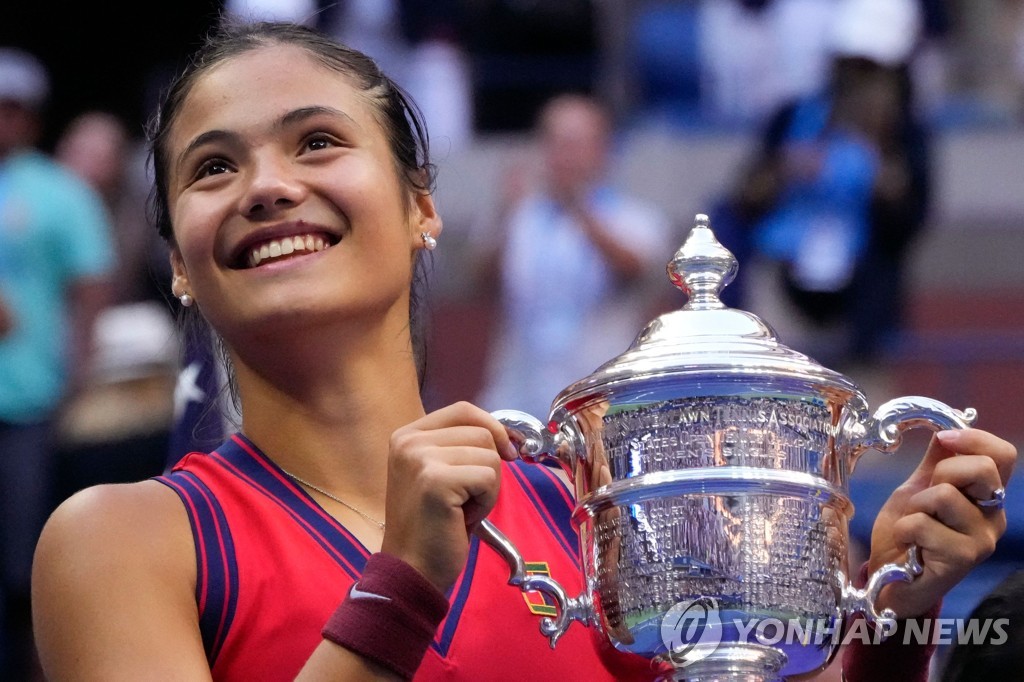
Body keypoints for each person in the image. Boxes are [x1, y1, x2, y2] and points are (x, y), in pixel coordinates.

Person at [30, 20, 1017, 682]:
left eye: (317, 142)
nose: (267, 185)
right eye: (213, 167)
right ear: (179, 268)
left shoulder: (579, 510)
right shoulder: (123, 539)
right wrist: (404, 583)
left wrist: (893, 611)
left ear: (423, 207)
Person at [712, 0, 932, 370]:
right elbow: (743, 198)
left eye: (871, 70)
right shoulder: (794, 117)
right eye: (851, 67)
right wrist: (787, 168)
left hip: (861, 306)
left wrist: (882, 170)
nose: (859, 82)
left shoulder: (906, 136)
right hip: (783, 279)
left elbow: (909, 221)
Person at [0, 48, 117, 679]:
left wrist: (78, 369)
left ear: (30, 118)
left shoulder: (58, 193)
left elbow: (92, 282)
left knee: (26, 562)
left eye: (11, 108)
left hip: (26, 399)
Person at [473, 92, 674, 419]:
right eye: (556, 144)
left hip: (599, 399)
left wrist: (578, 209)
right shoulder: (518, 216)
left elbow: (636, 271)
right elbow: (478, 284)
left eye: (576, 145)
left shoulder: (633, 218)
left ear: (603, 151)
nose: (565, 157)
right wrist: (506, 214)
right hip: (518, 396)